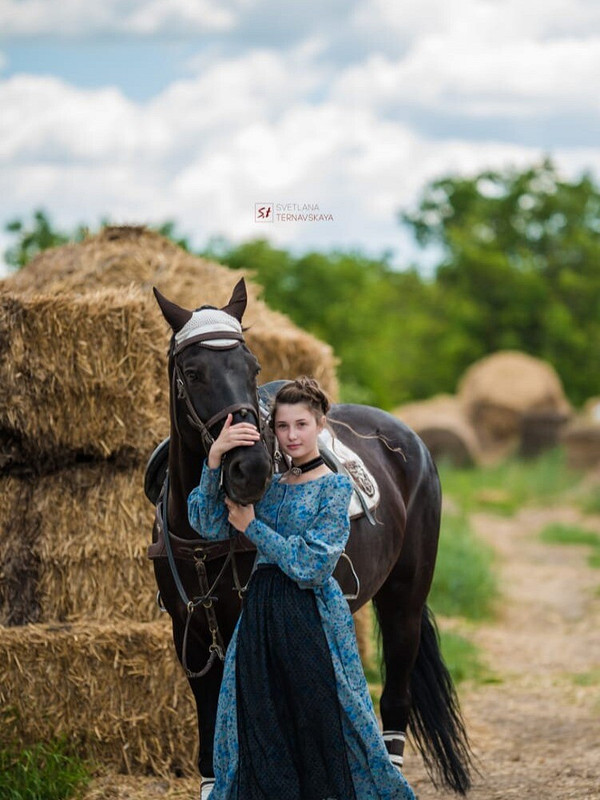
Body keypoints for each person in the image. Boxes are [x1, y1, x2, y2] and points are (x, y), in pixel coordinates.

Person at [188, 377, 416, 800]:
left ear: (319, 426)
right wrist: (215, 459)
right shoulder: (269, 487)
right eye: (282, 427)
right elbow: (206, 523)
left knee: (321, 724)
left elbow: (312, 566)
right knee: (257, 722)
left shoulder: (335, 486)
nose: (292, 436)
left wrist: (254, 529)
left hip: (311, 618)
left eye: (301, 425)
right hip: (259, 619)